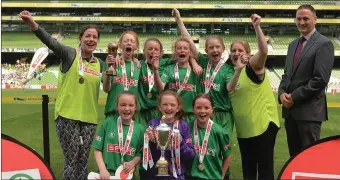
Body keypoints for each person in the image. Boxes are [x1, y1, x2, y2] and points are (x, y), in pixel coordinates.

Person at [19, 10, 104, 180]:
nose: (91, 39)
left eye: (95, 37)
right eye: (88, 36)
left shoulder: (99, 64)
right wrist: (32, 23)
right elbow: (50, 42)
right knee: (71, 160)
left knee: (83, 161)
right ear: (80, 38)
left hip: (89, 119)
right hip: (67, 116)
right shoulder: (69, 54)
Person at [173, 8, 234, 179]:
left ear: (223, 49)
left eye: (218, 47)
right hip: (201, 112)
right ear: (205, 51)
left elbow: (230, 87)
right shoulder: (202, 61)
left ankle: (223, 176)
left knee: (221, 149)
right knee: (199, 149)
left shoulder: (228, 69)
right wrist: (179, 19)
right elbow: (187, 40)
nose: (215, 50)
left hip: (222, 114)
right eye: (211, 47)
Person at [227, 14, 281, 180]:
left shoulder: (253, 66)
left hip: (263, 124)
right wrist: (237, 69)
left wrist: (257, 27)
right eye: (233, 50)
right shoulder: (231, 72)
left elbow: (264, 51)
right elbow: (230, 89)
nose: (237, 53)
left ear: (248, 53)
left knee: (264, 170)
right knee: (248, 169)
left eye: (240, 50)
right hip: (245, 129)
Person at [278, 4, 334, 157]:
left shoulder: (324, 44)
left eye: (306, 19)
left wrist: (293, 97)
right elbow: (286, 76)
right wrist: (282, 93)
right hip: (290, 112)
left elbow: (320, 80)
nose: (301, 22)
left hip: (309, 113)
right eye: (298, 19)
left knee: (310, 159)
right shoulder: (292, 45)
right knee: (294, 158)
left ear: (315, 19)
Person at [140, 90, 195, 180]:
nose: (168, 108)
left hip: (176, 176)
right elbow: (145, 155)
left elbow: (190, 156)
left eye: (172, 105)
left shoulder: (183, 126)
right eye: (165, 104)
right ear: (159, 107)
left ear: (178, 108)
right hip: (155, 175)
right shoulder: (153, 124)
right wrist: (151, 142)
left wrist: (180, 143)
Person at [92, 91, 145, 180]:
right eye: (123, 105)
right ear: (117, 106)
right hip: (106, 175)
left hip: (127, 176)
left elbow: (140, 153)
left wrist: (132, 163)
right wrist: (103, 169)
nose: (127, 108)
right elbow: (97, 150)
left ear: (136, 107)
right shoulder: (108, 123)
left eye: (131, 105)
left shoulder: (140, 129)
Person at [154, 38, 202, 123]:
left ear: (190, 52)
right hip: (171, 114)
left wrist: (194, 62)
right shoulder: (168, 69)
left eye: (185, 48)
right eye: (179, 48)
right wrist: (155, 70)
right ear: (175, 51)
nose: (182, 50)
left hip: (190, 115)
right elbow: (161, 87)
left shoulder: (196, 70)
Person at [188, 94, 231, 180]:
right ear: (193, 109)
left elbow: (228, 156)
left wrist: (222, 176)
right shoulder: (187, 128)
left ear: (212, 110)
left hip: (212, 177)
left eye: (206, 108)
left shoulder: (219, 132)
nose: (202, 111)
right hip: (191, 177)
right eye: (198, 107)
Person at [103, 31, 141, 119]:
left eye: (132, 41)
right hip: (113, 113)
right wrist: (109, 69)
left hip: (133, 114)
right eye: (126, 41)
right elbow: (106, 89)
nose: (129, 43)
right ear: (120, 45)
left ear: (136, 47)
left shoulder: (139, 66)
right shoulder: (111, 62)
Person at [137, 37, 174, 126]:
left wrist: (193, 62)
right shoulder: (139, 64)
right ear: (144, 51)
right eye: (150, 49)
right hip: (143, 111)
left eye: (156, 49)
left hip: (159, 111)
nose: (153, 51)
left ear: (161, 53)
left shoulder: (166, 63)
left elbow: (184, 58)